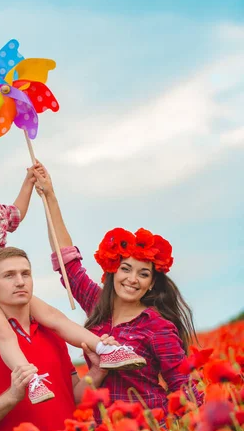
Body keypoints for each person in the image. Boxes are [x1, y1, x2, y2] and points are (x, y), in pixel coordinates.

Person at [0, 153, 146, 405]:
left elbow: (16, 215)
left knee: (53, 316)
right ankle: (31, 379)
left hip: (3, 286)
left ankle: (104, 349)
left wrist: (30, 181)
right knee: (3, 332)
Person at [33, 164, 203, 417]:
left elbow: (183, 386)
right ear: (113, 271)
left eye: (143, 274)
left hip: (150, 430)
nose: (132, 279)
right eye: (126, 269)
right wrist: (50, 197)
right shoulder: (97, 304)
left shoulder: (157, 326)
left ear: (152, 283)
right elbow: (67, 262)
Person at [0, 247, 109, 431]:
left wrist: (98, 371)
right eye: (9, 275)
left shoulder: (53, 334)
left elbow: (72, 398)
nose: (20, 282)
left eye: (25, 274)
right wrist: (13, 395)